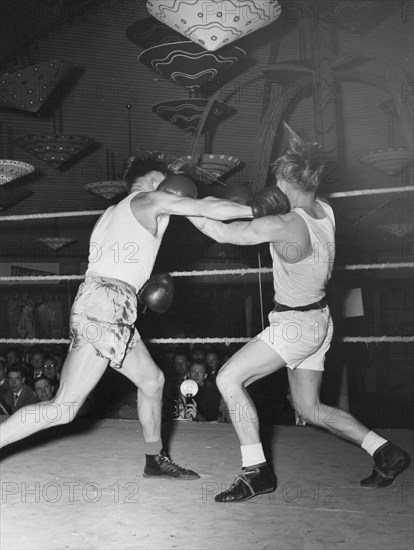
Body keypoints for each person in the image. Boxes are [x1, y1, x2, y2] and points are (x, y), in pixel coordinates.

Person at [0, 151, 274, 480]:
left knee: (152, 381)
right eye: (163, 181)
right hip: (105, 307)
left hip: (111, 303)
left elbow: (205, 227)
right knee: (64, 407)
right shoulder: (146, 199)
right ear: (147, 181)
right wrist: (253, 208)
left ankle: (154, 458)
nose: (170, 190)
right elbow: (204, 207)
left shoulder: (113, 213)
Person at [189, 124, 410, 502]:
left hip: (296, 324)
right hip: (320, 319)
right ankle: (385, 452)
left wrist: (180, 207)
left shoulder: (285, 223)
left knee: (228, 379)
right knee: (310, 408)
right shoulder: (325, 210)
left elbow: (225, 234)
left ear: (287, 183)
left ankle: (256, 471)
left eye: (277, 181)